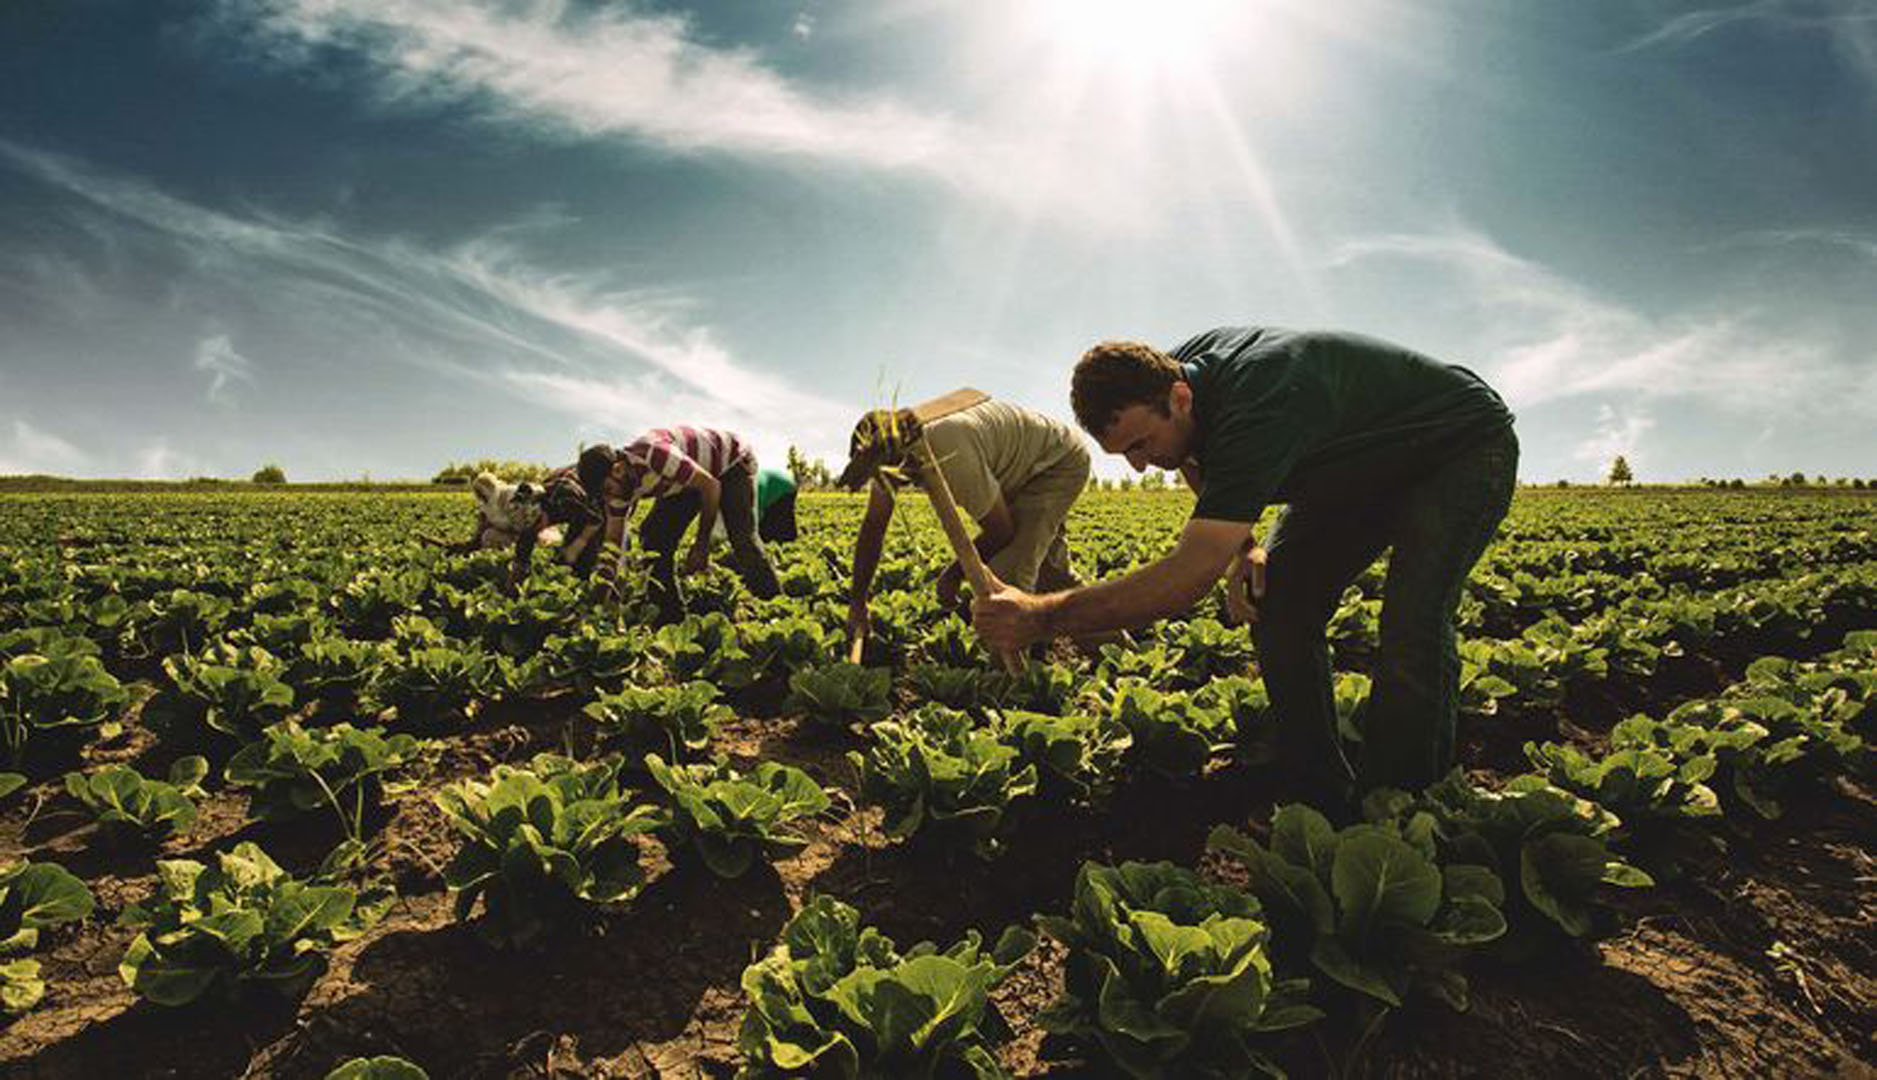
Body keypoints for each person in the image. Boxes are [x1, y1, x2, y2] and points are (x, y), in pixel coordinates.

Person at [972, 327, 1517, 799]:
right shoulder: (1175, 382)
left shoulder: (1262, 398)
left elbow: (1187, 578)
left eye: (1142, 444)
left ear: (1179, 398)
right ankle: (1316, 784)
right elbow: (1189, 455)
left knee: (1411, 620)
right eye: (1125, 455)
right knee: (1275, 603)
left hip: (1456, 450)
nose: (1140, 467)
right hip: (1351, 470)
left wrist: (1041, 617)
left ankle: (1403, 804)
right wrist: (1246, 547)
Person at [838, 398, 1090, 650]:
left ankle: (1006, 681)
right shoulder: (896, 454)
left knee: (1008, 573)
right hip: (1021, 468)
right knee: (1052, 575)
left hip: (1054, 463)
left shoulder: (946, 450)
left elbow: (1001, 531)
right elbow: (874, 527)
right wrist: (857, 602)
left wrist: (953, 575)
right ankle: (1118, 643)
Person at [579, 427, 781, 620]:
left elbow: (711, 487)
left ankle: (775, 609)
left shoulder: (655, 455)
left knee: (742, 538)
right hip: (687, 479)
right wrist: (598, 600)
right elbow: (613, 547)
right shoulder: (617, 489)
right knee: (654, 540)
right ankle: (671, 618)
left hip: (731, 461)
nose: (609, 498)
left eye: (607, 489)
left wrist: (701, 546)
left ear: (618, 469)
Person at [435, 469, 604, 592]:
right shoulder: (524, 523)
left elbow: (595, 519)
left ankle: (584, 576)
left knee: (577, 553)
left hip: (587, 512)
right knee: (495, 538)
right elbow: (520, 552)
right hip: (537, 520)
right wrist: (514, 582)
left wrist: (578, 545)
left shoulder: (565, 500)